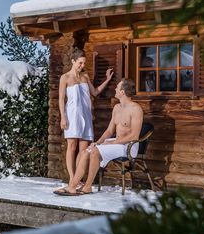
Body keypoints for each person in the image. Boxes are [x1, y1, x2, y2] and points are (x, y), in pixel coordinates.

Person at [55, 78, 142, 196]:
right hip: (117, 143)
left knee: (95, 152)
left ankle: (87, 187)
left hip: (129, 146)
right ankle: (73, 185)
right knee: (87, 151)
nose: (115, 89)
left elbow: (134, 135)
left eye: (117, 87)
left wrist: (112, 143)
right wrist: (98, 142)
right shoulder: (117, 108)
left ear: (122, 92)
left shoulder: (136, 109)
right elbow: (109, 130)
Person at [59, 48, 114, 184]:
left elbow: (94, 92)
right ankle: (72, 178)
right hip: (72, 115)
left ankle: (78, 178)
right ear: (73, 61)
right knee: (72, 147)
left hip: (86, 115)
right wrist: (63, 117)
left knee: (83, 150)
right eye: (80, 63)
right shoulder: (65, 78)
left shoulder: (85, 77)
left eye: (84, 63)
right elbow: (60, 99)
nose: (82, 66)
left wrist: (107, 80)